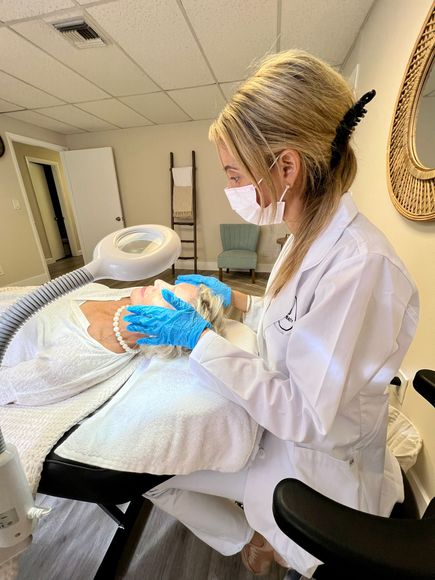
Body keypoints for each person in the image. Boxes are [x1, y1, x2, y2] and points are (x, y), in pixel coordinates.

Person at [124, 49, 419, 577]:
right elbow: (295, 322)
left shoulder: (359, 268)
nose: (231, 187)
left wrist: (199, 339)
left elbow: (306, 416)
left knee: (147, 471)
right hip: (287, 436)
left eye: (234, 173)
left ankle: (252, 544)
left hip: (315, 469)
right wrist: (238, 299)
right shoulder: (306, 234)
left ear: (286, 166)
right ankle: (255, 539)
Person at [0, 280, 224, 407]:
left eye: (169, 294)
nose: (158, 282)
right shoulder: (121, 297)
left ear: (164, 331)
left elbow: (7, 388)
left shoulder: (82, 354)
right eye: (173, 284)